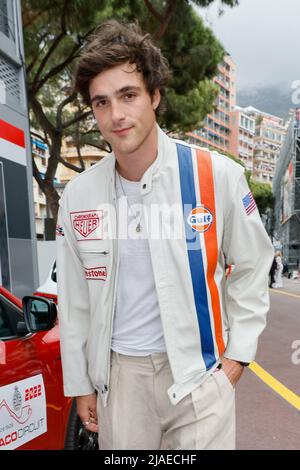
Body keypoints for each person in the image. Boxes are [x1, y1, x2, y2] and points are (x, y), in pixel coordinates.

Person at [56, 20, 274, 450]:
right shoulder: (78, 196)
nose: (116, 114)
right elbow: (76, 299)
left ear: (154, 96)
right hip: (120, 383)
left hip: (200, 377)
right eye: (101, 102)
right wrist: (82, 384)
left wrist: (235, 360)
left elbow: (253, 266)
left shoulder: (218, 176)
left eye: (128, 95)